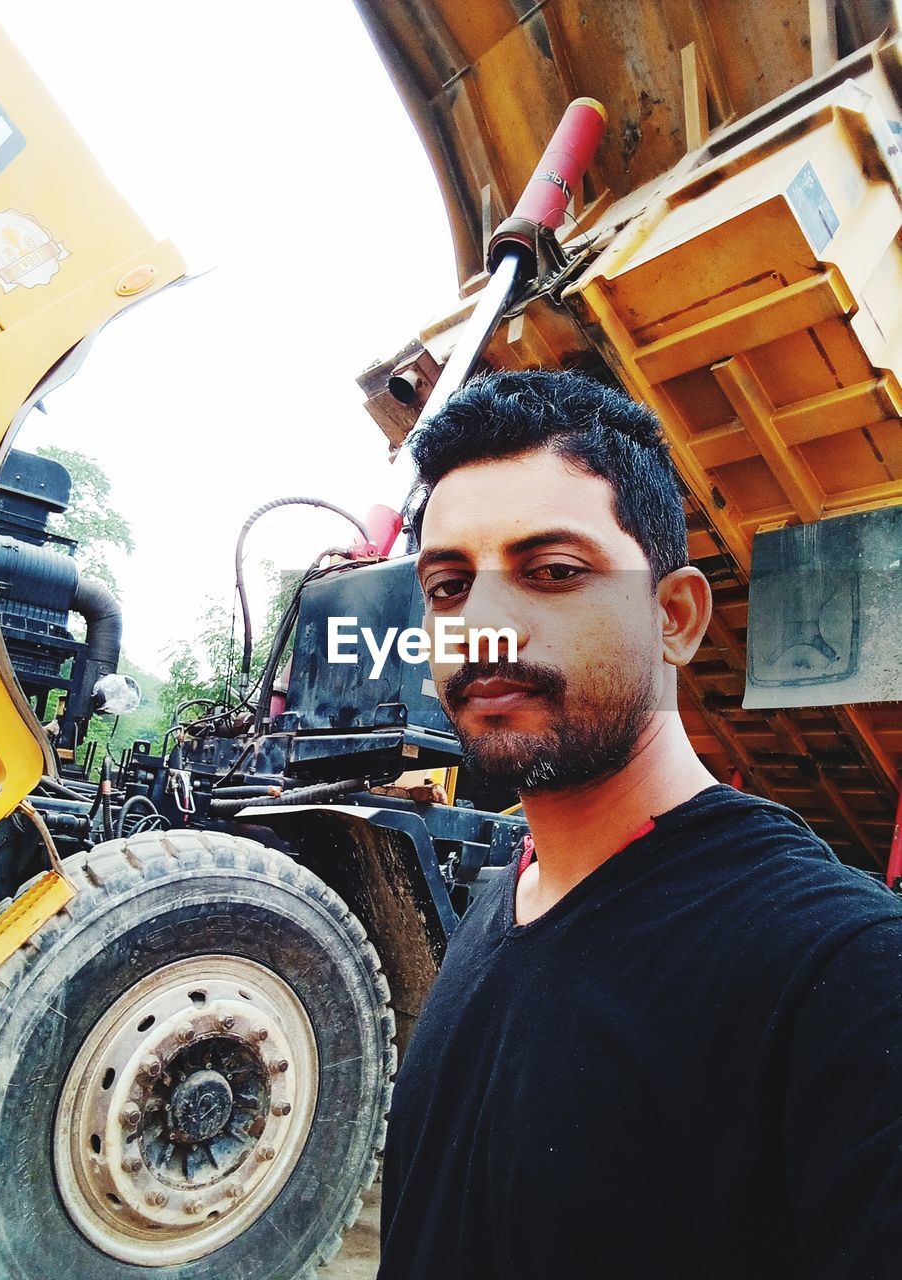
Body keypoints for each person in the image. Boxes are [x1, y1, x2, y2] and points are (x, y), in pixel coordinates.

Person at [377, 369, 902, 1280]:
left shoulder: (843, 974)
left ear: (676, 617)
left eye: (552, 572)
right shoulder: (505, 907)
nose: (484, 628)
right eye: (450, 585)